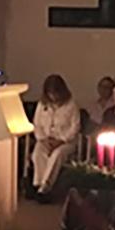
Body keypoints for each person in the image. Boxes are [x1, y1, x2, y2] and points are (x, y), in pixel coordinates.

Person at [30, 75, 81, 203]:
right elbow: (37, 124)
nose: (53, 97)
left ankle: (46, 187)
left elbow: (75, 126)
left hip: (65, 142)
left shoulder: (71, 105)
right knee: (37, 154)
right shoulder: (42, 105)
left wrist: (62, 140)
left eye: (55, 93)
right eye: (50, 93)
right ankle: (38, 184)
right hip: (46, 140)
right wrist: (43, 139)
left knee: (56, 156)